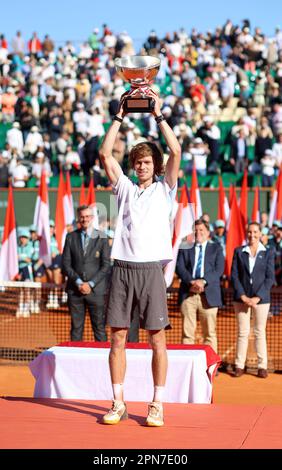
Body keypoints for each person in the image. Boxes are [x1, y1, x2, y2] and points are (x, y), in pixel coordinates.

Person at [99, 89, 181, 427]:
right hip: (122, 269)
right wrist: (119, 116)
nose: (141, 166)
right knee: (117, 338)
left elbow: (176, 149)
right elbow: (105, 153)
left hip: (150, 271)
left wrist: (158, 115)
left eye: (146, 161)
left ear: (155, 166)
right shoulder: (126, 189)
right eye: (137, 162)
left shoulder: (166, 187)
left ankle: (157, 403)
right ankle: (118, 402)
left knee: (156, 339)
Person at [231, 222, 275, 378]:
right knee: (243, 332)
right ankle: (239, 365)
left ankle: (262, 366)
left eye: (255, 232)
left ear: (260, 234)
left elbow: (270, 278)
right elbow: (234, 276)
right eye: (249, 232)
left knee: (259, 331)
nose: (252, 235)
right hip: (240, 299)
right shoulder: (238, 252)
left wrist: (257, 297)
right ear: (246, 233)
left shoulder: (268, 252)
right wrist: (243, 296)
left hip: (261, 300)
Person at [62, 205, 111, 341]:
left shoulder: (102, 238)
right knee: (76, 329)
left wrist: (90, 284)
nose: (85, 219)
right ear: (79, 218)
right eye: (82, 217)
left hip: (96, 292)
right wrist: (78, 282)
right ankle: (75, 360)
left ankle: (103, 361)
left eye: (88, 216)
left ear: (92, 218)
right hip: (75, 291)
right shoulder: (70, 237)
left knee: (99, 328)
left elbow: (106, 265)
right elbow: (66, 264)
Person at [176, 219, 224, 353]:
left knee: (209, 334)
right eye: (196, 230)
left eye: (201, 230)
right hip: (188, 295)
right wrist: (192, 282)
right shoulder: (185, 247)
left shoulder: (216, 248)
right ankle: (187, 364)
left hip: (209, 296)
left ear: (208, 232)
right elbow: (180, 267)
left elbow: (219, 269)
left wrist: (203, 281)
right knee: (187, 334)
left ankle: (210, 366)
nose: (198, 233)